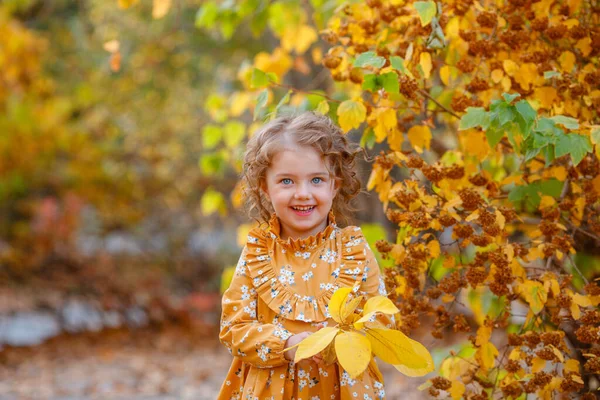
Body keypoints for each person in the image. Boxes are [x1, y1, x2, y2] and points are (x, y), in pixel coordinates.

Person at [218, 112, 392, 400]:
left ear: (334, 185)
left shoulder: (354, 252)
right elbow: (234, 329)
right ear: (265, 186)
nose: (302, 193)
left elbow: (382, 323)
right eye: (287, 181)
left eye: (316, 180)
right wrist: (287, 344)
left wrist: (340, 342)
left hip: (341, 390)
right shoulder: (258, 254)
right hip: (270, 390)